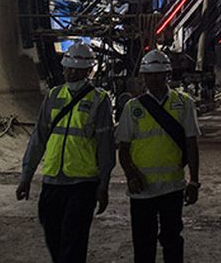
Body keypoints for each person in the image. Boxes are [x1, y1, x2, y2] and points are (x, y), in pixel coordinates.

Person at [17, 42, 114, 263]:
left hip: (82, 183)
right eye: (69, 67)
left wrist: (103, 185)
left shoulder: (99, 100)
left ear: (89, 71)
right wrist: (26, 177)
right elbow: (38, 139)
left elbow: (106, 147)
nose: (71, 72)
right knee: (53, 235)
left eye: (77, 69)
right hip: (52, 181)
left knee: (73, 240)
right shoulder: (53, 96)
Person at [118, 49, 201, 263]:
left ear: (168, 75)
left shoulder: (184, 103)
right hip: (142, 190)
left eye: (159, 74)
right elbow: (124, 148)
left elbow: (192, 144)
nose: (154, 80)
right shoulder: (132, 108)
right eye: (149, 75)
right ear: (143, 77)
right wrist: (131, 175)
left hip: (172, 187)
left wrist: (194, 181)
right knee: (143, 243)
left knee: (172, 239)